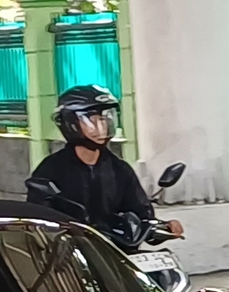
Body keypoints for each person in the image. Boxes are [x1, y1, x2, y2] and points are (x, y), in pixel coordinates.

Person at [25, 87, 181, 244]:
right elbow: (38, 219)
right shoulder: (51, 170)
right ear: (71, 124)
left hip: (115, 251)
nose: (101, 128)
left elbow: (140, 214)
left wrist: (162, 227)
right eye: (91, 121)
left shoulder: (120, 170)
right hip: (71, 255)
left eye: (104, 119)